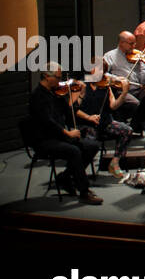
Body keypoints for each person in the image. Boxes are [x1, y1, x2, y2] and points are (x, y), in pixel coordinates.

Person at [29, 66, 103, 203]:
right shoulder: (37, 96)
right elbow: (48, 122)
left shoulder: (55, 93)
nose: (60, 81)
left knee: (92, 146)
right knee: (74, 150)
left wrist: (80, 95)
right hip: (44, 140)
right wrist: (68, 133)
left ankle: (64, 177)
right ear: (46, 76)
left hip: (58, 136)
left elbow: (69, 113)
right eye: (58, 78)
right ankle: (84, 192)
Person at [100, 30, 145, 120]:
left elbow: (143, 80)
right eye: (131, 44)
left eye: (134, 43)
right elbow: (103, 74)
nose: (134, 46)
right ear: (121, 43)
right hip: (121, 91)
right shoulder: (110, 56)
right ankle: (136, 128)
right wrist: (117, 79)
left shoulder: (137, 56)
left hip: (138, 89)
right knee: (138, 105)